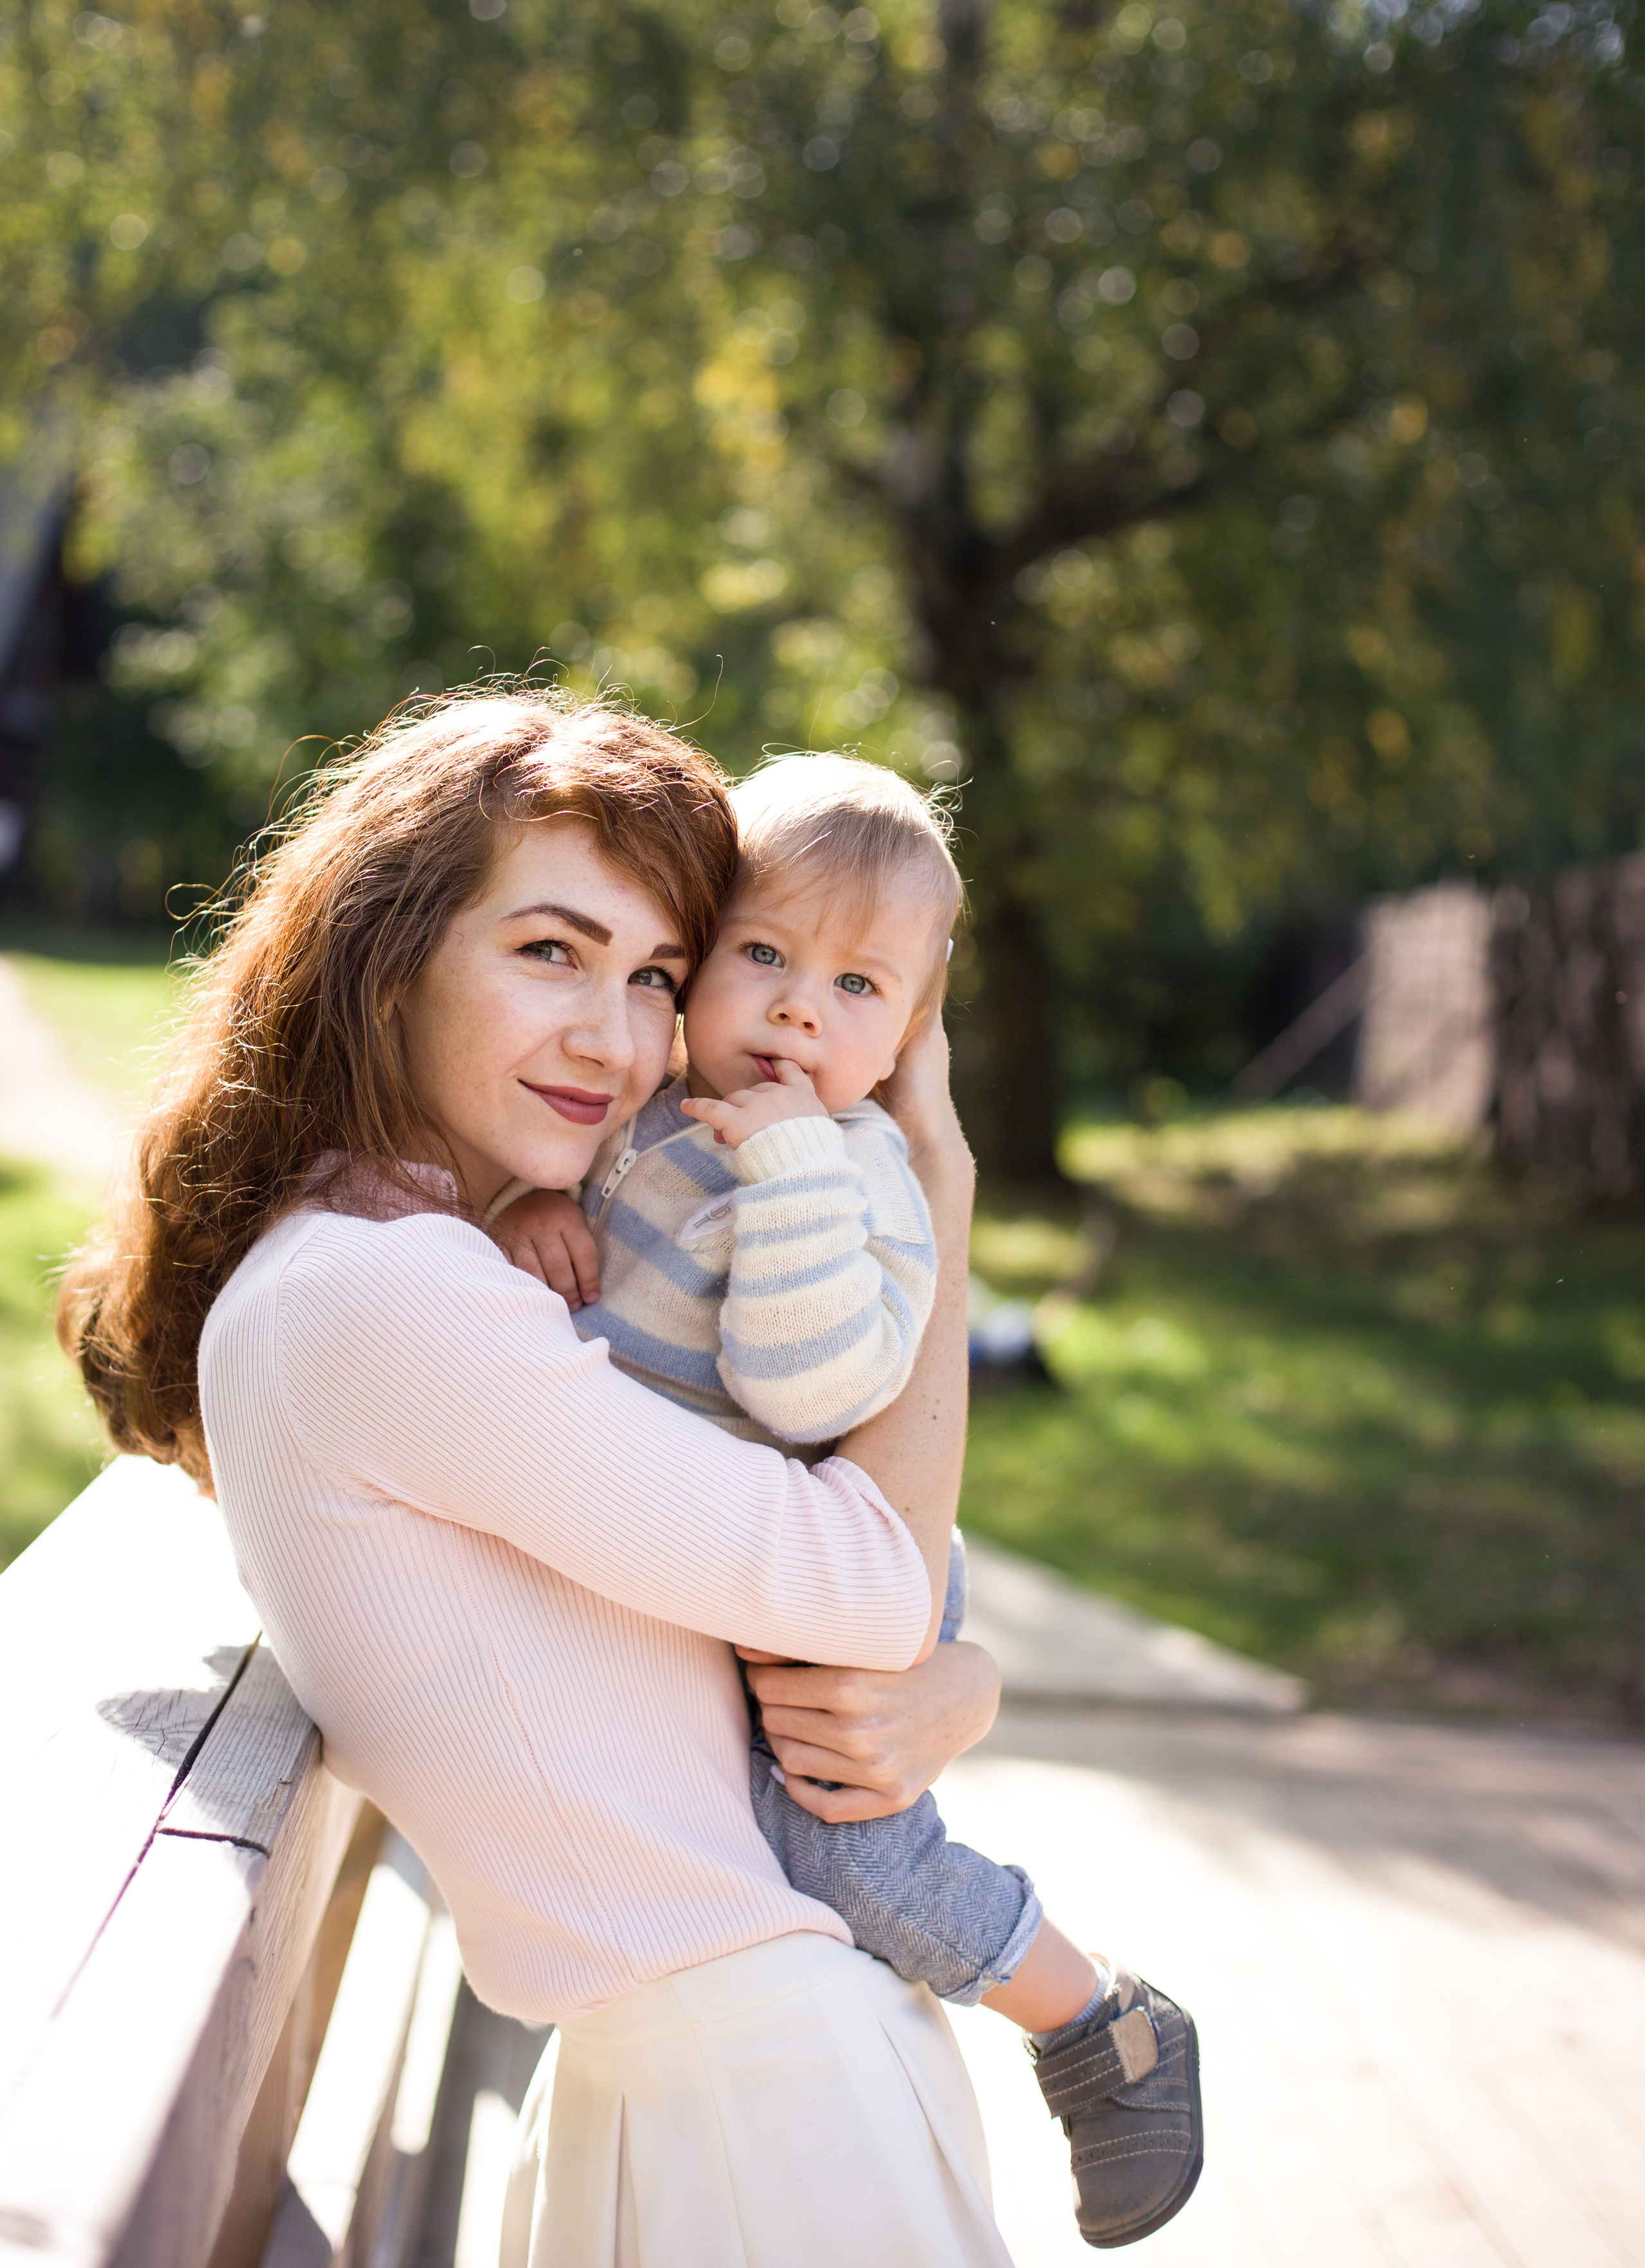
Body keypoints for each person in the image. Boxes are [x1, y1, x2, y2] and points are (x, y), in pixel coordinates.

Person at [60, 688, 1011, 2267]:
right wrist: (946, 1196)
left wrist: (958, 1679)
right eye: (549, 952)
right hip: (750, 2109)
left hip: (718, 2089)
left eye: (653, 974)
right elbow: (866, 1585)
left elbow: (742, 1602)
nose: (616, 1036)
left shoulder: (433, 1265)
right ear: (389, 955)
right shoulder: (386, 1299)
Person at [491, 753, 1202, 2251]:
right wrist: (544, 1206)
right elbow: (597, 1267)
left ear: (910, 1034)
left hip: (844, 1564)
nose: (802, 1009)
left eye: (858, 987)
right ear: (699, 963)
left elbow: (808, 1386)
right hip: (754, 1562)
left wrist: (806, 1172)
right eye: (764, 955)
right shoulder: (655, 1117)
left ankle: (1100, 2023)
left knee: (842, 1852)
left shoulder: (852, 1171)